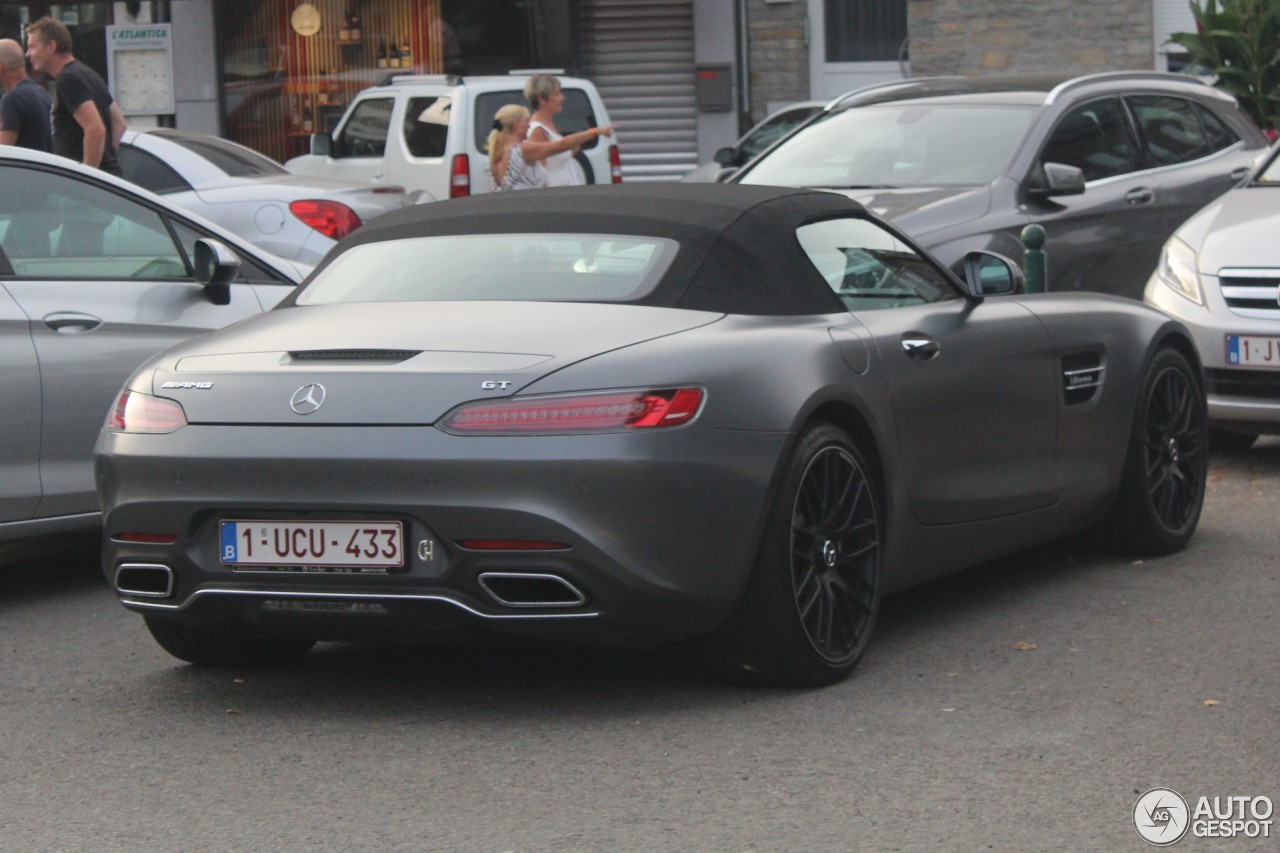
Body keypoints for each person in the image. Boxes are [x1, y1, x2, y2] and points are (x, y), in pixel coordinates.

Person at [25, 16, 127, 175]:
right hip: (108, 180)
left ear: (51, 46)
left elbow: (96, 129)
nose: (27, 54)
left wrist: (86, 177)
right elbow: (119, 123)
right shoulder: (88, 74)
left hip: (87, 187)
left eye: (32, 47)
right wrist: (107, 163)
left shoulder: (68, 79)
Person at [487, 102, 613, 192]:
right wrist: (594, 132)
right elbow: (561, 145)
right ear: (516, 124)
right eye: (526, 120)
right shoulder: (522, 151)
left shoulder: (496, 156)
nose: (529, 125)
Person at [524, 74, 613, 187]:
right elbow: (540, 175)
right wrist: (594, 132)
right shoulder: (538, 130)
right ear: (542, 100)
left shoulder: (548, 124)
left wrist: (578, 142)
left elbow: (559, 154)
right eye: (557, 94)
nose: (562, 98)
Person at [0, 38, 51, 151]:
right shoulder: (42, 94)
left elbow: (4, 152)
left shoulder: (12, 100)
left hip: (22, 168)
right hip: (40, 167)